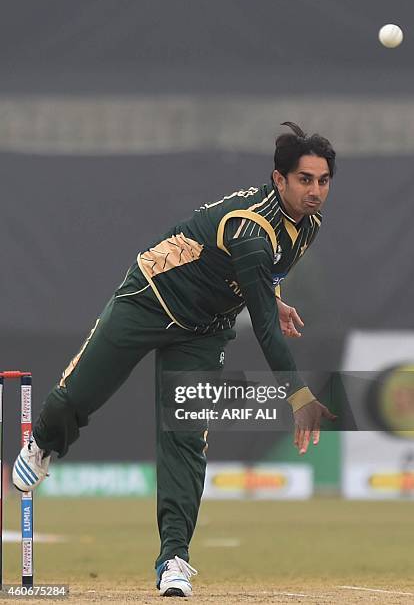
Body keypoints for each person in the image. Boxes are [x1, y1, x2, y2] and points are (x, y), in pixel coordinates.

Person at [13, 121, 337, 597]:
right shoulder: (250, 228)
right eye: (305, 180)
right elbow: (264, 327)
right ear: (279, 179)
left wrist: (273, 295)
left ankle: (175, 560)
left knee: (185, 439)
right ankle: (43, 442)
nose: (315, 191)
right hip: (150, 297)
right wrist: (299, 394)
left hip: (203, 330)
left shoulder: (308, 223)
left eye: (323, 181)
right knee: (78, 396)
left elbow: (267, 272)